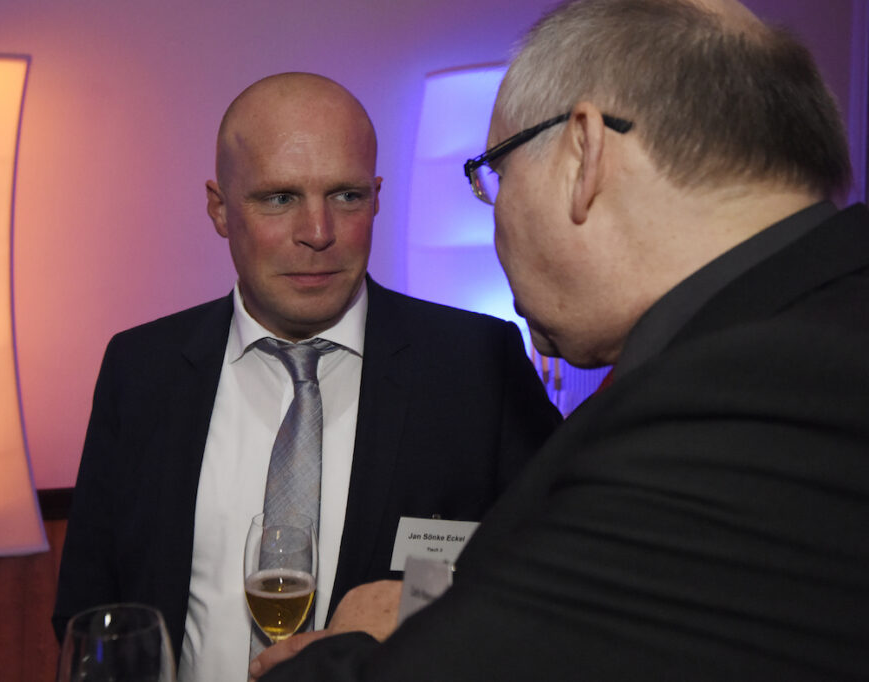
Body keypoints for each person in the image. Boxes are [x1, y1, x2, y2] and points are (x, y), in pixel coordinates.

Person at [252, 1, 869, 680]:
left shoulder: (741, 397)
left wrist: (368, 643)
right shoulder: (807, 327)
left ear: (584, 153)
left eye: (496, 174)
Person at [51, 72, 561, 681]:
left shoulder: (476, 366)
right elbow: (90, 606)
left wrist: (428, 608)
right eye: (279, 198)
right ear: (219, 209)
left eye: (346, 196)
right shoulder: (141, 369)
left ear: (376, 197)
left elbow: (567, 581)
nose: (318, 233)